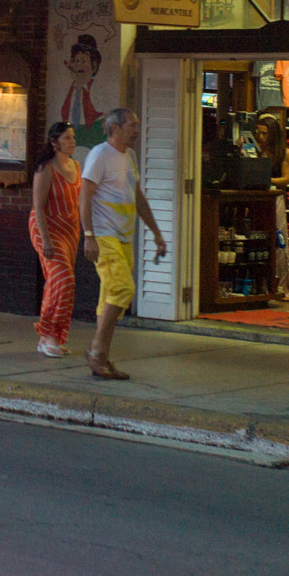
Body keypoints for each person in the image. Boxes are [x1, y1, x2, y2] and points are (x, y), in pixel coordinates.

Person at [80, 108, 169, 380]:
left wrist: (156, 232)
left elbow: (137, 197)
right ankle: (97, 351)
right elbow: (84, 196)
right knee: (122, 289)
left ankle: (101, 355)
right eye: (132, 124)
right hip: (104, 236)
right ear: (115, 128)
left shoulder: (129, 156)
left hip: (124, 237)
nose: (137, 129)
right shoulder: (99, 155)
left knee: (110, 296)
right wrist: (89, 235)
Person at [28, 121, 82, 357]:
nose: (72, 142)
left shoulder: (77, 166)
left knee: (58, 282)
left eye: (73, 137)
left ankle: (50, 338)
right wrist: (46, 241)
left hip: (70, 229)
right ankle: (49, 333)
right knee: (62, 278)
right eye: (67, 137)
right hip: (47, 228)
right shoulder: (45, 169)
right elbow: (38, 207)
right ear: (54, 142)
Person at [245, 113, 289, 299]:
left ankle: (283, 286)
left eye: (265, 133)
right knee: (257, 239)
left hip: (275, 199)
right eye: (258, 133)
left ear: (273, 134)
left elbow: (286, 179)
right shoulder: (253, 150)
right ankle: (260, 284)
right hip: (256, 198)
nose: (261, 137)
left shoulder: (285, 153)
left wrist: (265, 179)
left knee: (279, 240)